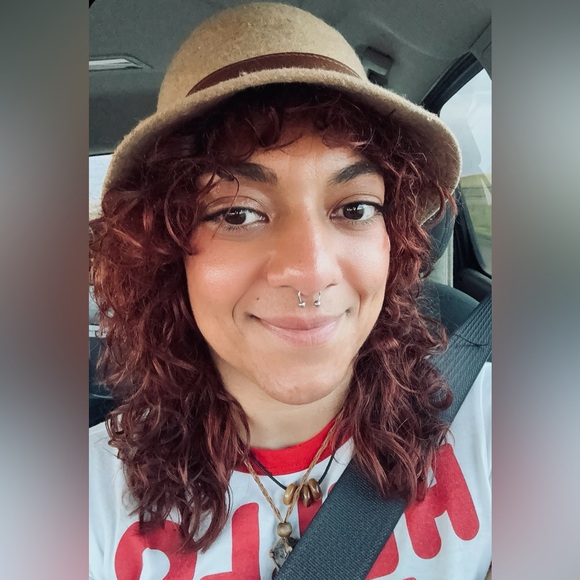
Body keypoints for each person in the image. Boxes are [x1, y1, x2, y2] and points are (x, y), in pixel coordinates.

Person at [89, 3, 491, 579]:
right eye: (236, 214)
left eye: (355, 208)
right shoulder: (81, 497)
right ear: (167, 251)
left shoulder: (494, 423)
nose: (311, 270)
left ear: (392, 239)